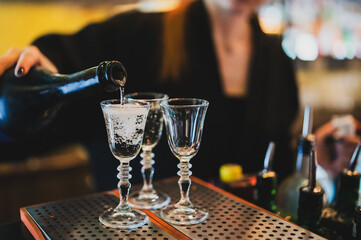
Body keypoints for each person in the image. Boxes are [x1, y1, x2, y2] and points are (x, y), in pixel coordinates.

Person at [0, 0, 356, 192]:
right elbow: (61, 79)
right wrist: (42, 78)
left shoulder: (276, 58)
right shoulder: (138, 34)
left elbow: (267, 158)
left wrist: (310, 155)